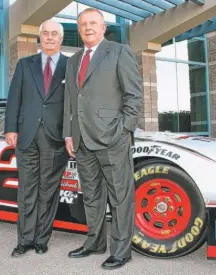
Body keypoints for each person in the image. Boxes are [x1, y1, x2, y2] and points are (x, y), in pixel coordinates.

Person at [63, 8, 143, 269]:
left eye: (93, 23)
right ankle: (94, 243)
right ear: (79, 29)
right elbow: (70, 102)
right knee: (92, 196)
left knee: (120, 197)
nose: (88, 27)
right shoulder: (73, 60)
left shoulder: (119, 52)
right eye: (83, 24)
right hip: (82, 140)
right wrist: (68, 134)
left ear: (103, 26)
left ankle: (121, 251)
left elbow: (134, 96)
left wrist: (124, 130)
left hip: (113, 138)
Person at [4, 19, 69, 257]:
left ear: (61, 39)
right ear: (39, 37)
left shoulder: (70, 66)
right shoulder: (24, 65)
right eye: (46, 33)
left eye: (54, 34)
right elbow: (14, 99)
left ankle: (42, 239)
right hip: (27, 136)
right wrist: (10, 128)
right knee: (27, 190)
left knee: (48, 191)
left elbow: (74, 104)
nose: (50, 37)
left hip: (56, 138)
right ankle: (25, 241)